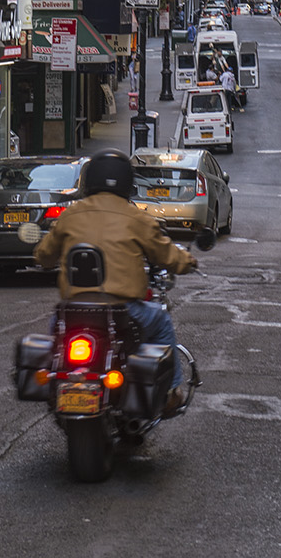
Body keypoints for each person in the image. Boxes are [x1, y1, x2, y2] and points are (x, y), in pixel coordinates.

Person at [34, 151, 197, 416]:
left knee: (56, 342)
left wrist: (44, 258)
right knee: (162, 321)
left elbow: (44, 256)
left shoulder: (70, 215)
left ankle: (57, 387)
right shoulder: (137, 218)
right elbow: (167, 255)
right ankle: (171, 392)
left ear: (89, 180)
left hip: (72, 312)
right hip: (123, 313)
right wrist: (188, 262)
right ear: (126, 182)